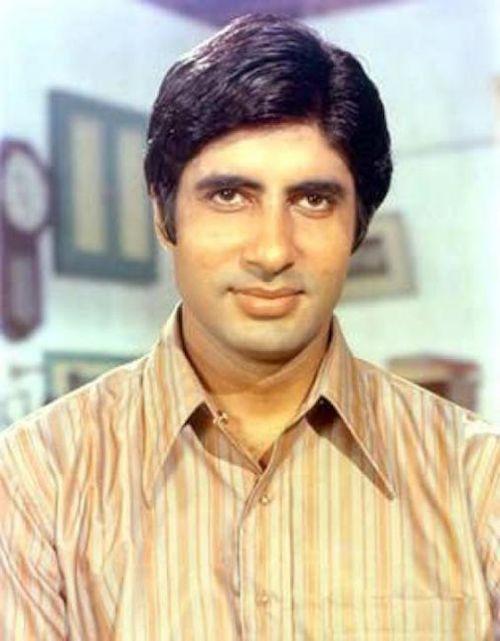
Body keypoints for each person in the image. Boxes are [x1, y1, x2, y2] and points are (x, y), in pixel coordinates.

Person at [0, 14, 498, 641]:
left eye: (313, 200)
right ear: (163, 213)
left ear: (359, 226)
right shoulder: (36, 480)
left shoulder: (478, 479)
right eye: (229, 196)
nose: (271, 251)